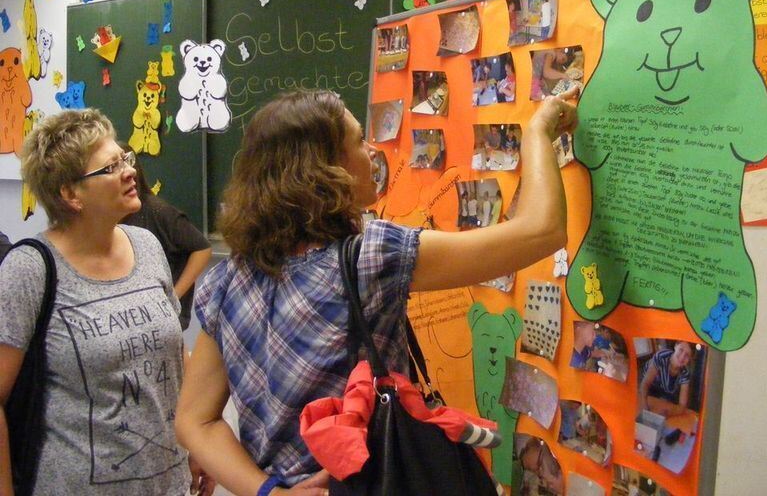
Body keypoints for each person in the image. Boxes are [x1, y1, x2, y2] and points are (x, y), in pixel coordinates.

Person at [175, 89, 576, 495]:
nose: (372, 152)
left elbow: (195, 420)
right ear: (326, 168)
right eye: (357, 142)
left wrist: (268, 492)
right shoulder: (370, 257)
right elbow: (542, 231)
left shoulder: (225, 281)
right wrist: (538, 130)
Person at [0, 109, 212, 495]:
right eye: (110, 167)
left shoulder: (147, 245)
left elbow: (174, 354)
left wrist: (199, 442)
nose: (129, 171)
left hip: (170, 483)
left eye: (125, 159)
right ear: (70, 194)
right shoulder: (29, 269)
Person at [119, 142, 212, 331]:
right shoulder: (109, 217)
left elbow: (202, 248)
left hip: (165, 318)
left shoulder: (157, 211)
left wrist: (174, 296)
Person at [639, 341, 694, 414]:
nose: (682, 357)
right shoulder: (661, 356)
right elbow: (645, 383)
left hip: (665, 392)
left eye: (687, 355)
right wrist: (645, 408)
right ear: (675, 346)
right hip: (648, 386)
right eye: (681, 350)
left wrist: (667, 414)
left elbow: (682, 405)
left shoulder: (685, 373)